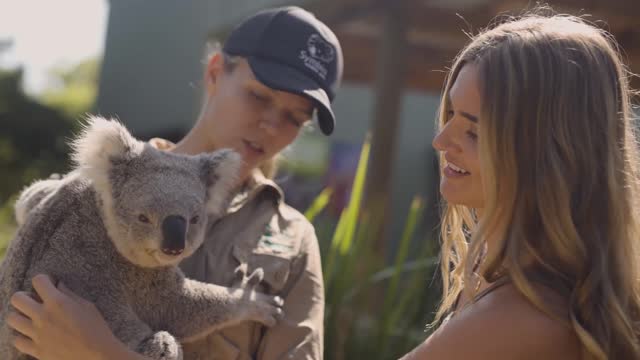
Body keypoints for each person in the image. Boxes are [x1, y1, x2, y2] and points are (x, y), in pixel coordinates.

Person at [7, 6, 343, 360]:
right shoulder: (98, 192)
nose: (272, 125)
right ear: (215, 73)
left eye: (294, 117)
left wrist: (102, 353)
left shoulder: (292, 240)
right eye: (258, 96)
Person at [400, 10, 640, 360]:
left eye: (474, 131)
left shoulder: (521, 319)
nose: (440, 140)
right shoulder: (519, 292)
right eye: (450, 114)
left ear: (546, 156)